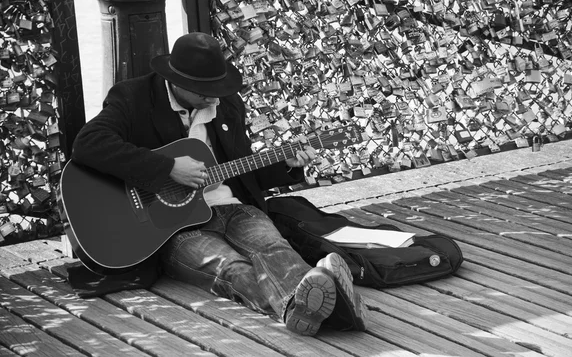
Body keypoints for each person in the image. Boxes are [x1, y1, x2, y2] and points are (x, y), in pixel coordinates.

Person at [70, 32, 368, 336]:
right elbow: (88, 144)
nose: (214, 97)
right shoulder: (132, 97)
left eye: (217, 87)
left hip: (231, 207)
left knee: (273, 247)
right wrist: (168, 168)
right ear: (177, 80)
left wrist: (287, 166)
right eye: (205, 90)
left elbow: (243, 168)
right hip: (173, 228)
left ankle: (305, 308)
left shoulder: (226, 105)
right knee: (229, 267)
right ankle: (326, 307)